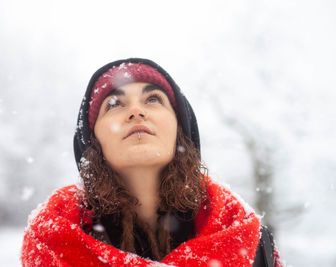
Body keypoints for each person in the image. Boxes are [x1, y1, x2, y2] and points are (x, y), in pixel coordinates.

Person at [21, 58, 282, 266]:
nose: (136, 111)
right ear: (92, 141)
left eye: (153, 99)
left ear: (181, 129)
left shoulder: (250, 244)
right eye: (114, 104)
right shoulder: (51, 247)